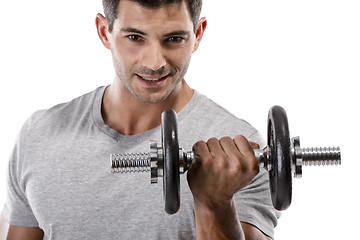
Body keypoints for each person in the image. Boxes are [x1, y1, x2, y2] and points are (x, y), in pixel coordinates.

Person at [0, 0, 280, 239]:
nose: (154, 62)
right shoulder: (39, 134)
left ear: (198, 34)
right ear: (103, 31)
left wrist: (214, 204)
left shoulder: (241, 152)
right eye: (134, 37)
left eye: (174, 39)